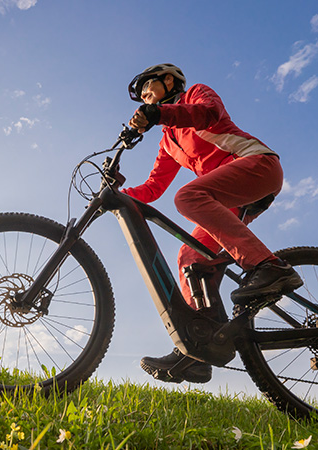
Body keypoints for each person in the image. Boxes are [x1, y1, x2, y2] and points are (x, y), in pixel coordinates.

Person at [123, 63, 303, 384]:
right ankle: (199, 349)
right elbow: (153, 187)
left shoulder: (196, 94)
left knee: (188, 197)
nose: (146, 97)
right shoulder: (168, 141)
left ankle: (269, 267)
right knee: (191, 258)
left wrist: (158, 115)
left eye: (149, 89)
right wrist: (117, 194)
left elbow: (206, 114)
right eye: (143, 97)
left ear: (169, 82)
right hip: (224, 198)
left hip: (255, 164)